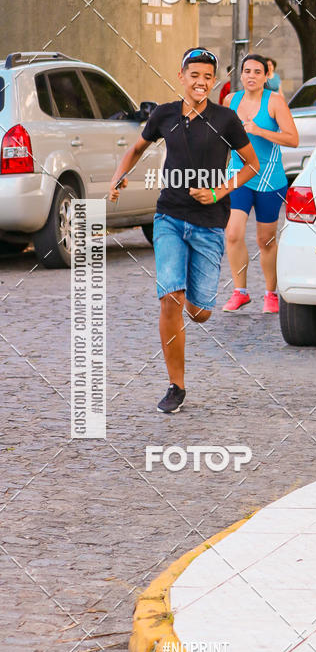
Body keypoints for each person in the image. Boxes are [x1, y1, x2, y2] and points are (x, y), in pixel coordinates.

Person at [108, 47, 259, 414]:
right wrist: (118, 178)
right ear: (181, 76)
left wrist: (218, 190)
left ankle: (196, 299)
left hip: (209, 225)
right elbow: (136, 149)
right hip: (170, 218)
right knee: (169, 298)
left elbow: (252, 165)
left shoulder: (226, 120)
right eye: (195, 75)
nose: (201, 82)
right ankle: (176, 385)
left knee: (199, 312)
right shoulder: (164, 115)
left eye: (208, 77)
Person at [222, 53, 298, 314]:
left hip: (269, 179)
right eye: (247, 71)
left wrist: (259, 130)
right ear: (240, 75)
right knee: (233, 233)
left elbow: (293, 139)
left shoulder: (275, 102)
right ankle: (240, 292)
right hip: (239, 176)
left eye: (257, 71)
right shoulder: (230, 101)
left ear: (267, 76)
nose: (251, 76)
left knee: (265, 240)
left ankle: (271, 294)